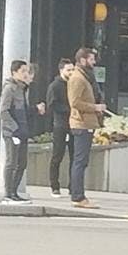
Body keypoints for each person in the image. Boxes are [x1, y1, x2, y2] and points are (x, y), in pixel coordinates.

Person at [0, 60, 45, 203]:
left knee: (22, 163)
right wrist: (14, 129)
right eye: (23, 71)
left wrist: (36, 109)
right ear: (14, 73)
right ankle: (8, 194)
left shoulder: (22, 89)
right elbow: (3, 112)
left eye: (27, 71)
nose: (26, 74)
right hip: (12, 133)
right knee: (12, 162)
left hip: (22, 131)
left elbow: (23, 111)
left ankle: (14, 192)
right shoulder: (10, 89)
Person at [67, 47, 107, 208]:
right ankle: (78, 196)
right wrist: (95, 108)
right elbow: (74, 102)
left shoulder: (85, 77)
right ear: (83, 60)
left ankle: (77, 195)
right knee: (80, 161)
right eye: (91, 59)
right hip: (81, 123)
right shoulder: (77, 78)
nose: (94, 62)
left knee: (81, 161)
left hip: (86, 123)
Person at [46, 58, 75, 197]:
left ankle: (73, 186)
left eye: (73, 69)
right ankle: (54, 186)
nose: (71, 72)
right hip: (60, 125)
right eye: (69, 70)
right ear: (61, 70)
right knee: (58, 155)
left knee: (75, 157)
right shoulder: (55, 86)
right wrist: (69, 110)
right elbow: (52, 105)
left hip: (74, 124)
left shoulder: (75, 84)